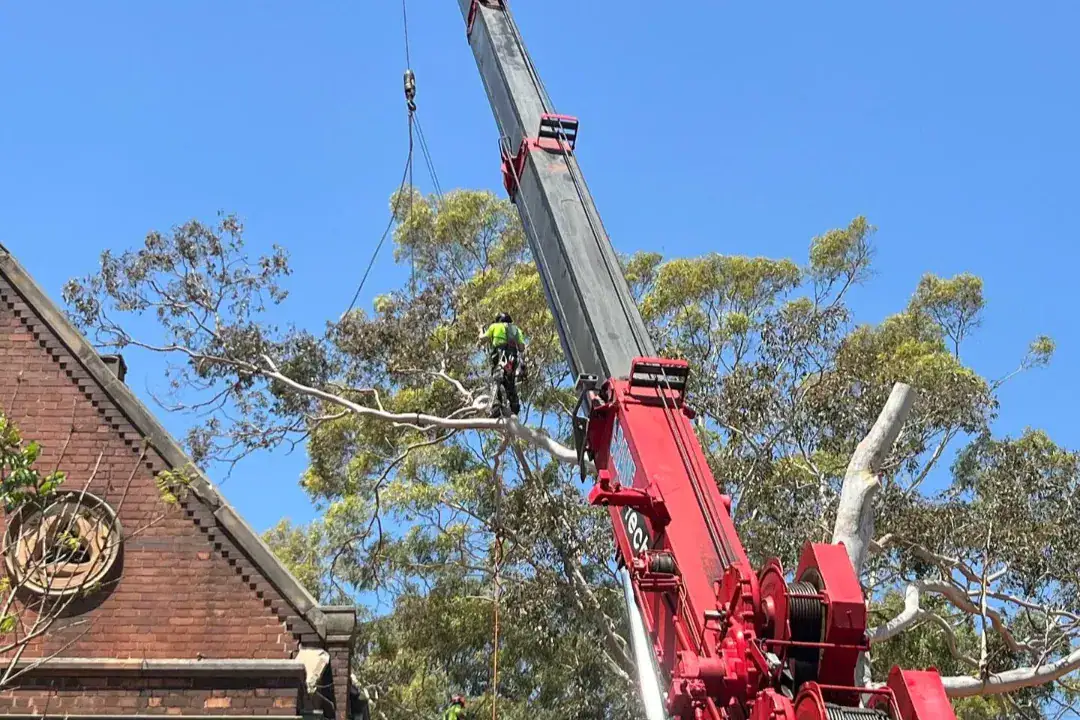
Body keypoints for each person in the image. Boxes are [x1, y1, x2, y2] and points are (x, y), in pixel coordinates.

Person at [479, 312, 526, 417]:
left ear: (499, 319)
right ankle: (515, 407)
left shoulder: (494, 326)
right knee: (510, 382)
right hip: (512, 358)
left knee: (496, 379)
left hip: (500, 355)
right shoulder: (516, 329)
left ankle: (495, 406)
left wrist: (480, 330)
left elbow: (482, 339)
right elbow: (521, 348)